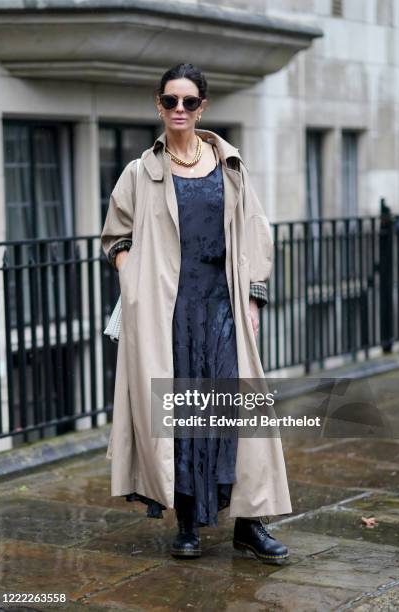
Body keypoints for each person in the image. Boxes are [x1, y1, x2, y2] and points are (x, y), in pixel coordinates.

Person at [101, 63, 292, 564]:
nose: (179, 110)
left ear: (202, 107)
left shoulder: (229, 164)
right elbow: (115, 236)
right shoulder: (141, 172)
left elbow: (255, 230)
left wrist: (252, 297)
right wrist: (132, 279)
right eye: (170, 101)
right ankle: (187, 522)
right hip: (168, 311)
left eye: (188, 101)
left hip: (222, 304)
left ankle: (250, 524)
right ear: (158, 106)